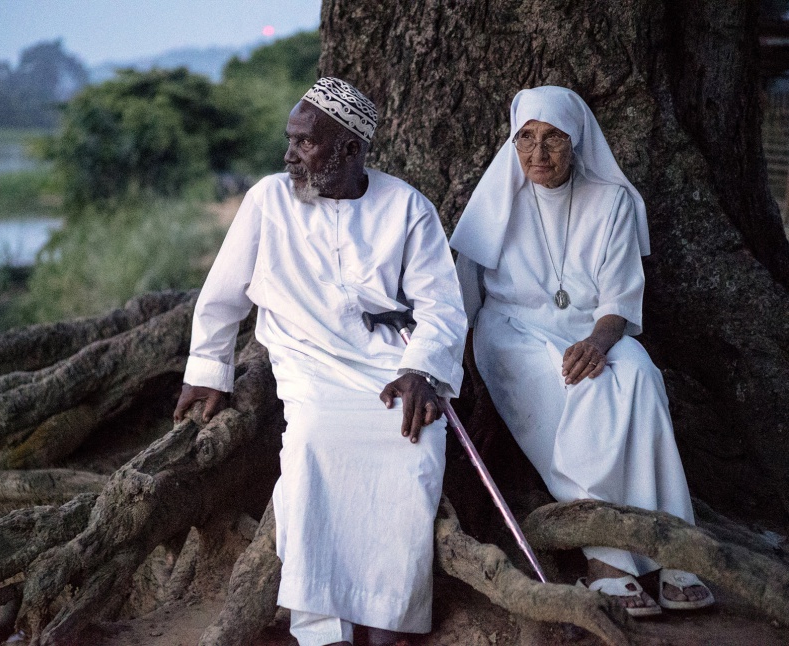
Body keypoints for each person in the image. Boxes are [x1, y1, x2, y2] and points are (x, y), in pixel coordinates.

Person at [174, 77, 468, 646]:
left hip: (389, 364)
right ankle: (324, 626)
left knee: (414, 448)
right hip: (306, 362)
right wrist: (208, 371)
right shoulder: (267, 199)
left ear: (351, 150)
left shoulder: (408, 207)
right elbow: (221, 295)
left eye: (306, 143)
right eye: (291, 139)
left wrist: (423, 370)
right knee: (311, 445)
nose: (290, 155)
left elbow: (442, 306)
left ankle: (388, 615)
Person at [449, 86, 714, 617]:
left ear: (577, 142)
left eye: (553, 139)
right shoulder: (499, 199)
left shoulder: (610, 201)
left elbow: (618, 298)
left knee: (640, 376)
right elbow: (463, 295)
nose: (537, 154)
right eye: (525, 138)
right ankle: (609, 555)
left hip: (595, 329)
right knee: (581, 385)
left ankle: (675, 544)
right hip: (513, 332)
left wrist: (598, 340)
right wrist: (461, 366)